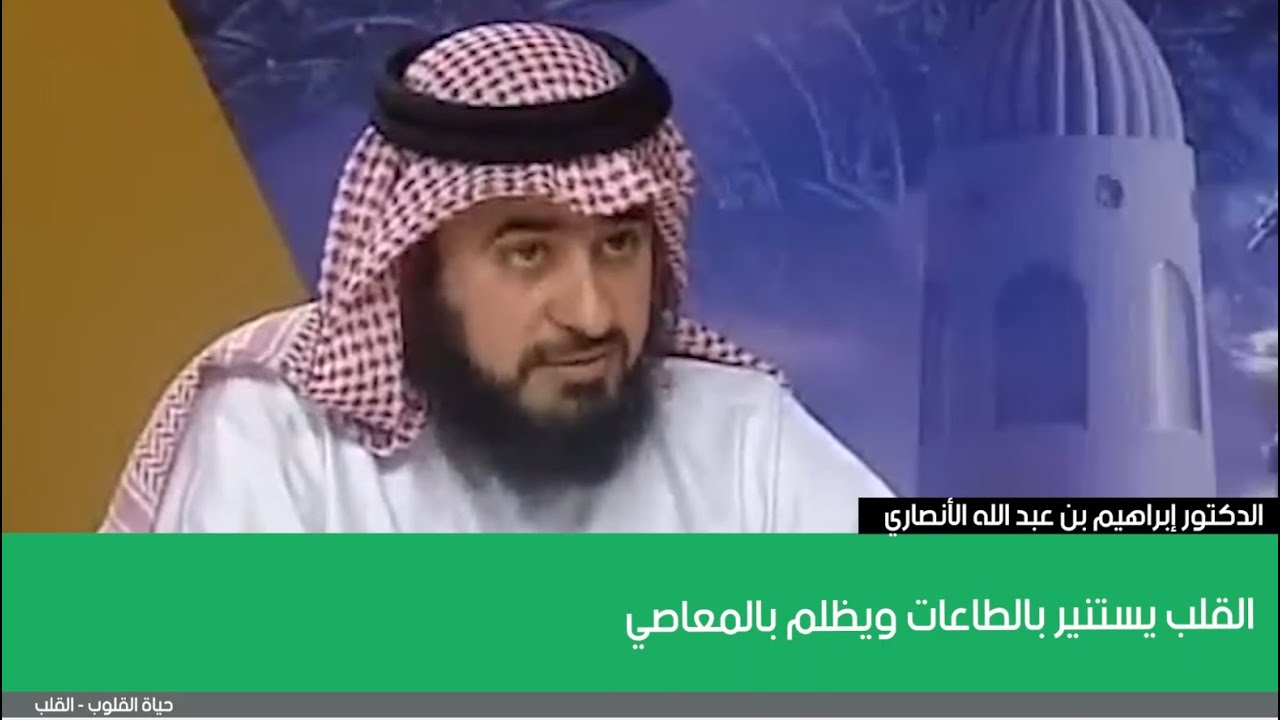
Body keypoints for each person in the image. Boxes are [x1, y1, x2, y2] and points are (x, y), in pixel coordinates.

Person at [99, 21, 892, 533]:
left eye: (619, 245)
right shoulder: (276, 438)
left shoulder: (739, 431)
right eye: (528, 254)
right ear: (415, 264)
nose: (592, 314)